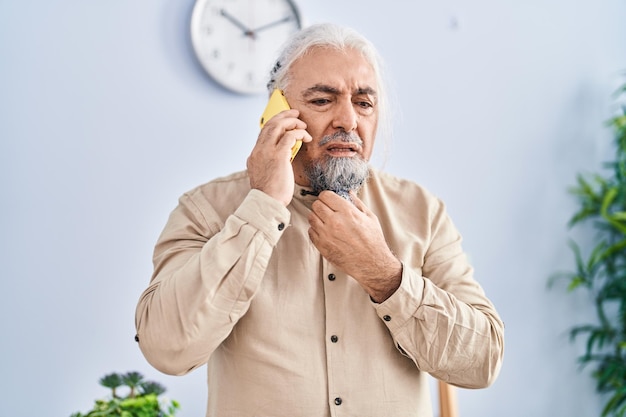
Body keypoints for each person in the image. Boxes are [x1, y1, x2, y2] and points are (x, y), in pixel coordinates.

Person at [135, 23, 504, 417]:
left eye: (364, 103)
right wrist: (261, 206)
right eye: (324, 100)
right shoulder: (206, 209)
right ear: (277, 111)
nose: (348, 120)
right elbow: (167, 348)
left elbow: (482, 361)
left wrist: (384, 274)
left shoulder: (422, 212)